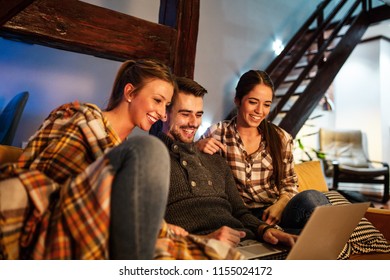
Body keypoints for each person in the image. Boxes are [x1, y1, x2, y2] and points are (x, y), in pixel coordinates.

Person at [0, 59, 176, 260]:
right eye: (157, 100)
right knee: (151, 150)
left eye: (167, 105)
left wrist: (165, 228)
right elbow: (51, 178)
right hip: (63, 219)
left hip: (110, 231)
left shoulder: (125, 153)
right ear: (130, 93)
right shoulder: (84, 118)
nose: (163, 114)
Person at [151, 76, 297, 248]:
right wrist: (202, 241)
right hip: (203, 248)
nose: (193, 123)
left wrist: (265, 230)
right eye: (185, 114)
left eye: (198, 115)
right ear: (164, 113)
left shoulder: (216, 161)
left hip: (248, 239)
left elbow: (240, 212)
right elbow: (145, 225)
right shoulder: (150, 160)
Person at [196, 70, 330, 234]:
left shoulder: (281, 138)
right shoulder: (217, 133)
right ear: (238, 100)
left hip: (274, 212)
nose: (260, 110)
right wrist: (196, 148)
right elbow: (196, 174)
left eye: (267, 104)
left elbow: (289, 183)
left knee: (313, 199)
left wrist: (280, 206)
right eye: (253, 102)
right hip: (237, 216)